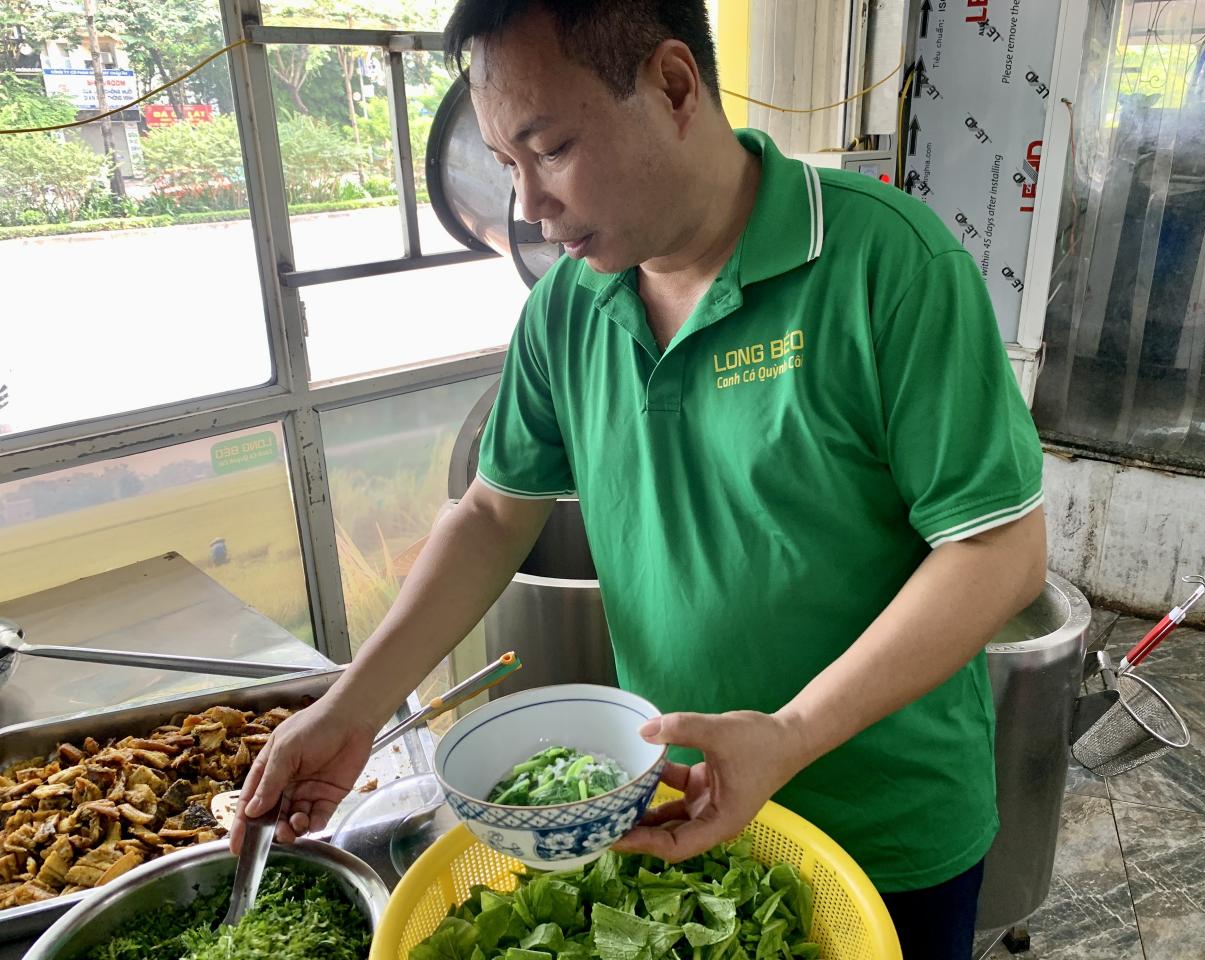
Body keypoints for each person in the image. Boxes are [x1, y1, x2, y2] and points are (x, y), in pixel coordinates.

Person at [233, 2, 1047, 956]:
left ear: (672, 86)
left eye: (552, 147)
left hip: (885, 835)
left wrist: (788, 734)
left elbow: (997, 551)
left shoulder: (886, 266)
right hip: (669, 814)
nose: (528, 204)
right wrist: (352, 711)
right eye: (507, 163)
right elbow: (495, 513)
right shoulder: (567, 308)